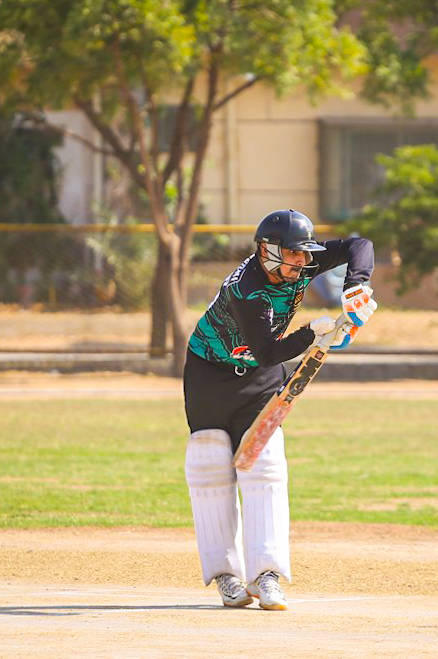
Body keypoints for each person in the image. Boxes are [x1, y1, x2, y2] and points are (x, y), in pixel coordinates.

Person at [183, 209, 377, 610]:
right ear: (267, 250)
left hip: (258, 380)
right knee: (209, 465)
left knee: (265, 463)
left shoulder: (300, 263)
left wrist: (356, 286)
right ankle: (226, 576)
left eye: (305, 253)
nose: (302, 262)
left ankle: (266, 576)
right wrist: (312, 334)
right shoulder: (248, 290)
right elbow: (268, 352)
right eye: (293, 254)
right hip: (209, 374)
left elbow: (360, 246)